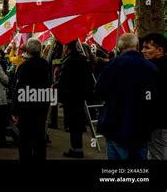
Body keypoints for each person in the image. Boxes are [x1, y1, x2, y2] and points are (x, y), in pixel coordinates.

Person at [95, 33, 157, 161]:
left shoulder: (114, 65)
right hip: (141, 127)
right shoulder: (150, 67)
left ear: (119, 47)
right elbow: (152, 97)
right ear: (137, 45)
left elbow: (99, 90)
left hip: (116, 125)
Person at [12, 38, 51, 161]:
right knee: (39, 138)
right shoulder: (46, 65)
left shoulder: (24, 66)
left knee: (25, 140)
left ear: (27, 50)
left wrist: (15, 110)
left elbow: (18, 88)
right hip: (41, 106)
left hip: (26, 108)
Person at [57, 40, 94, 158]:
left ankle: (76, 149)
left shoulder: (69, 61)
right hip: (81, 96)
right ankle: (77, 147)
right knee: (77, 123)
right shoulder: (84, 59)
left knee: (73, 124)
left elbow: (64, 80)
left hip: (71, 96)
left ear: (67, 47)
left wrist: (58, 90)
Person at [141, 33, 167, 160]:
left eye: (147, 48)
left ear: (159, 50)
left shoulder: (153, 69)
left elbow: (148, 97)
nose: (142, 51)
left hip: (158, 124)